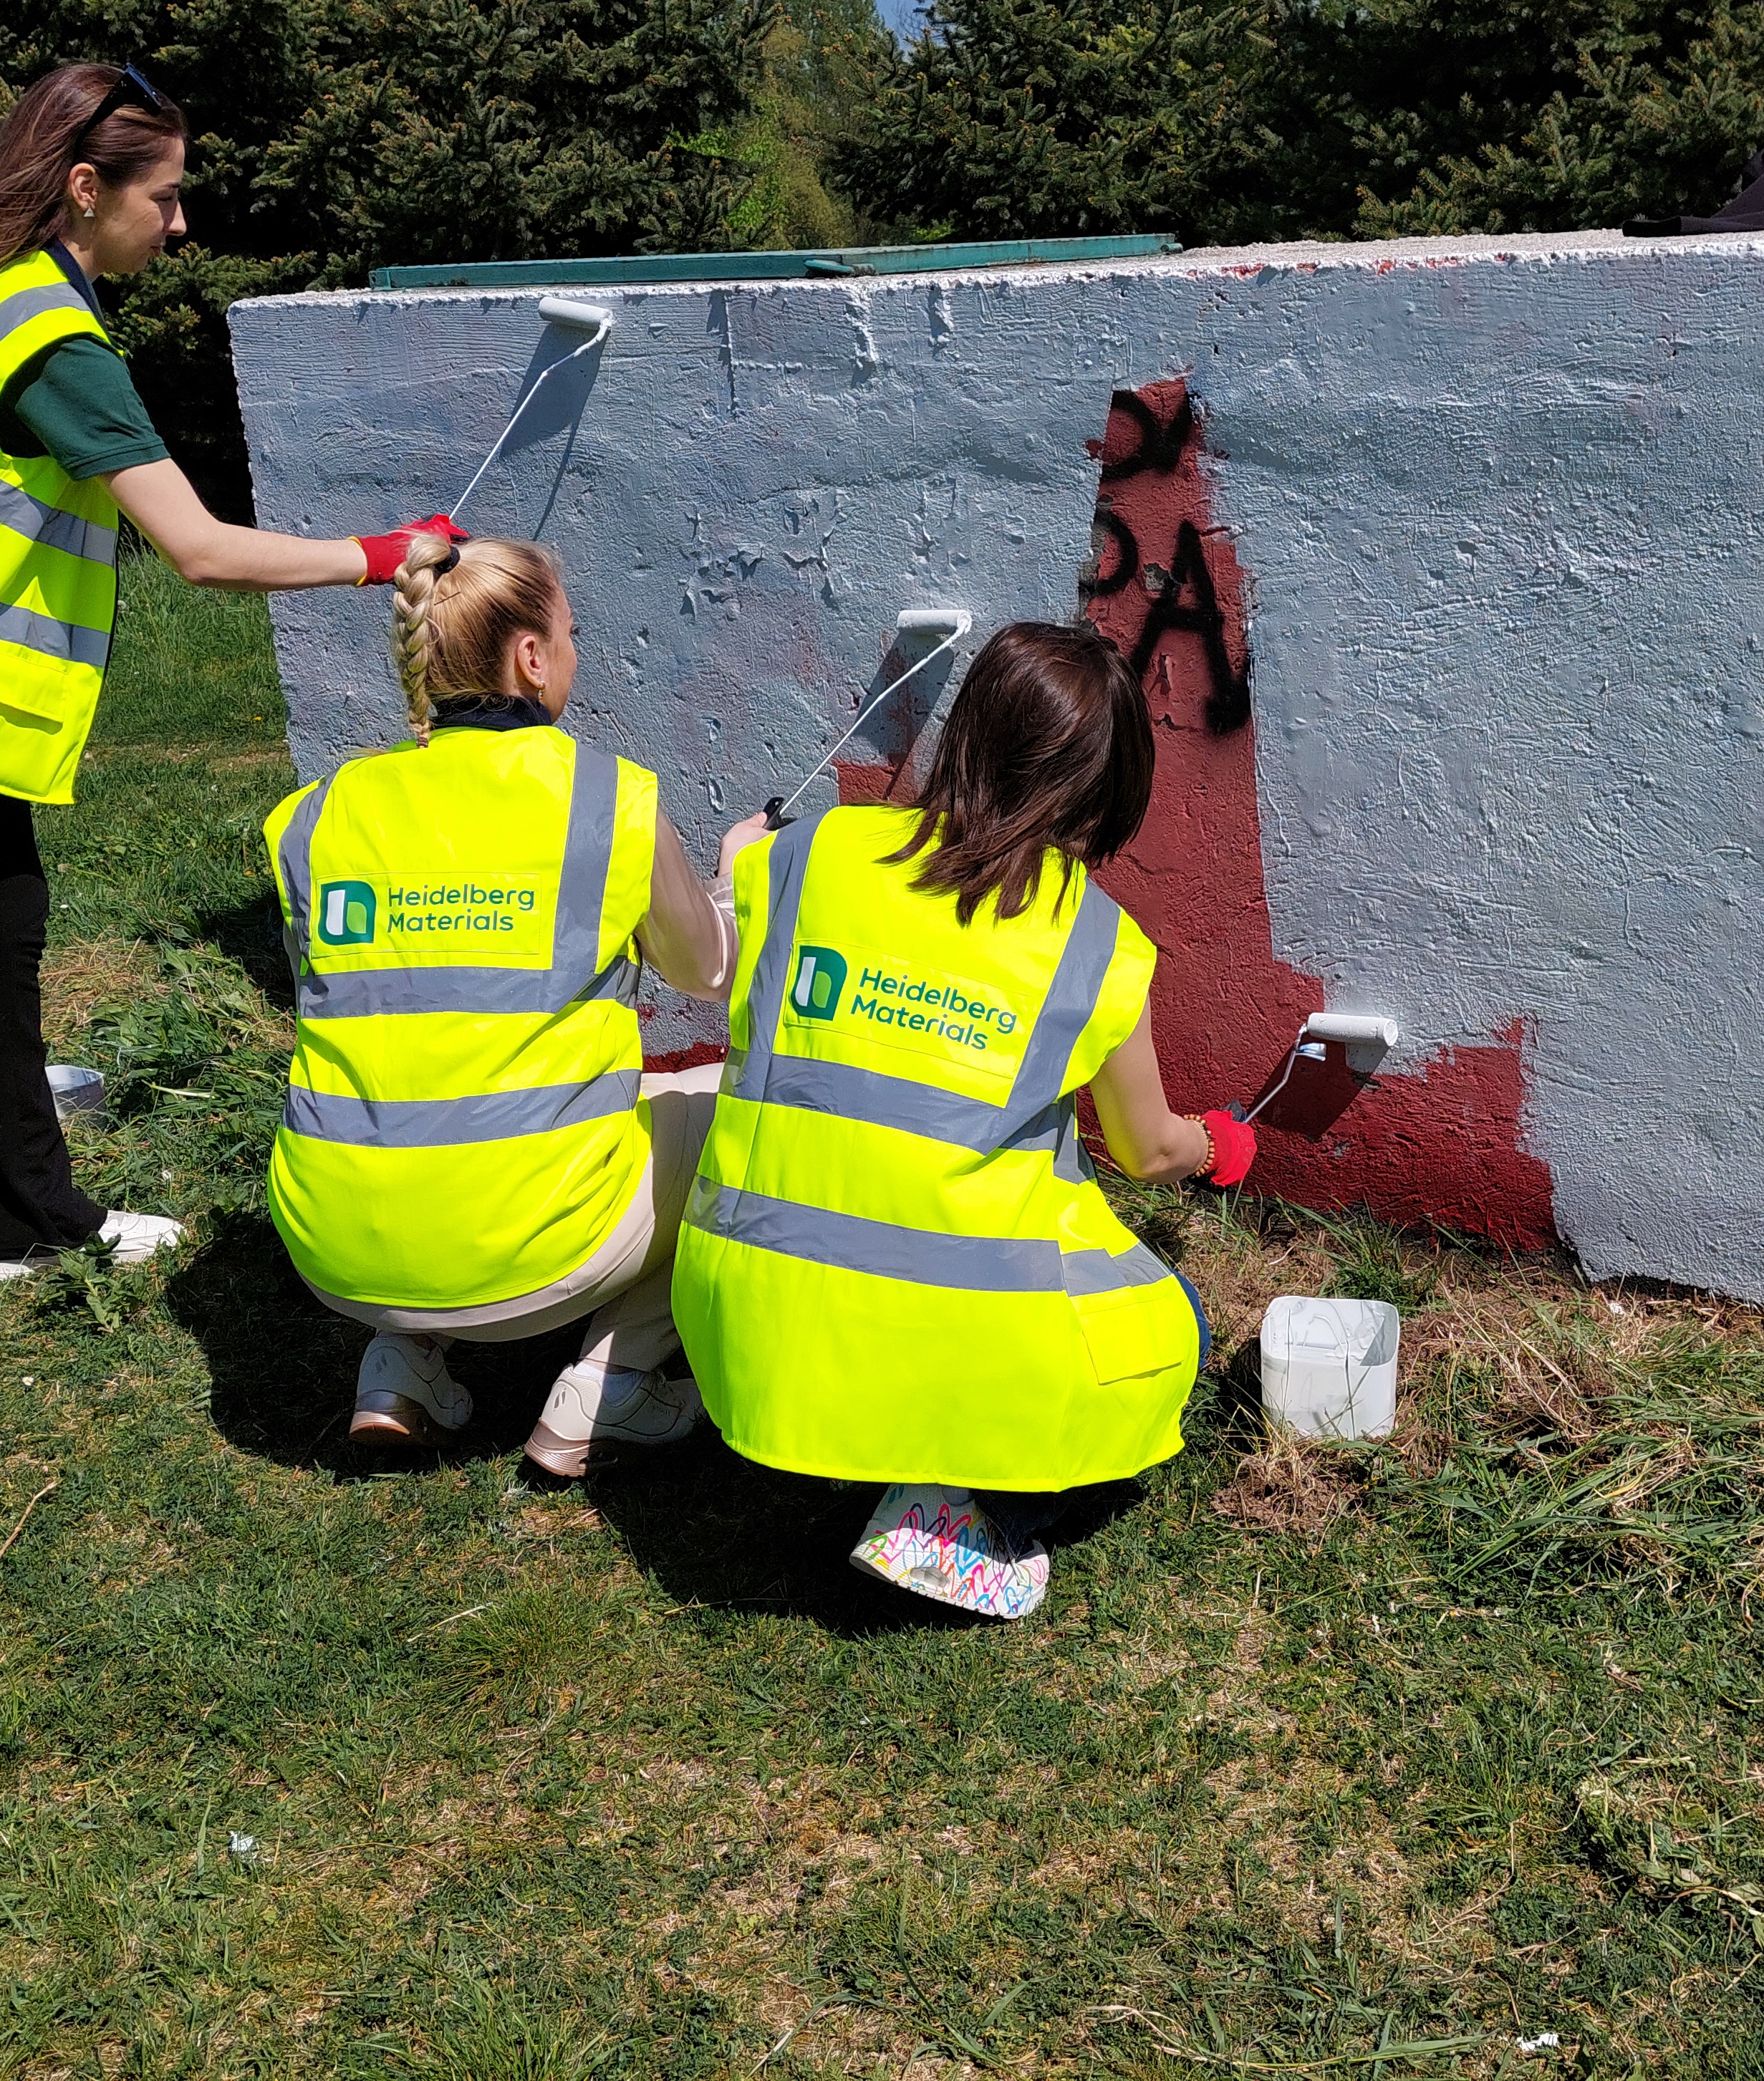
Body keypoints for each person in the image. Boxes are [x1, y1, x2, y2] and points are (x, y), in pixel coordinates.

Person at [0, 62, 461, 1365]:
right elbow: (203, 551)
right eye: (165, 198)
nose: (180, 225)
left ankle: (25, 1219)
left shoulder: (9, 292)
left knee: (2, 930)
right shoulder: (55, 347)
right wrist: (382, 552)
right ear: (83, 188)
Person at [674, 620, 1257, 1617]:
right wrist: (1222, 1143)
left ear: (968, 733)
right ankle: (952, 1511)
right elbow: (1147, 1147)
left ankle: (849, 1443)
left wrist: (742, 862)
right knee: (1176, 1327)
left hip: (742, 1328)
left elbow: (728, 923)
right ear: (1106, 785)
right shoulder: (1093, 942)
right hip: (931, 1339)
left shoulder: (811, 853)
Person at [266, 531, 738, 1474]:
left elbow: (342, 992)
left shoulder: (316, 812)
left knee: (435, 1089)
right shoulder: (609, 799)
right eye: (571, 632)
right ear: (531, 657)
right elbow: (705, 973)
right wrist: (732, 876)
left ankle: (398, 1365)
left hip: (332, 1245)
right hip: (538, 1256)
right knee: (735, 1105)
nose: (573, 650)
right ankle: (612, 1387)